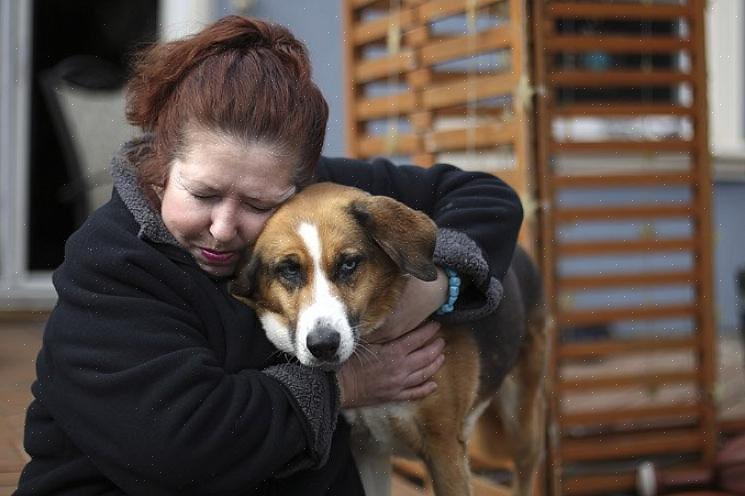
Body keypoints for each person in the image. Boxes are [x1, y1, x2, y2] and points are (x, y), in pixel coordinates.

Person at [15, 15, 523, 496]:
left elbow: (486, 197)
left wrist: (435, 285)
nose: (222, 228)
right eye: (204, 194)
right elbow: (178, 451)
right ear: (160, 166)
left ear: (299, 185)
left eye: (259, 204)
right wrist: (344, 385)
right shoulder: (108, 268)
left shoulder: (317, 201)